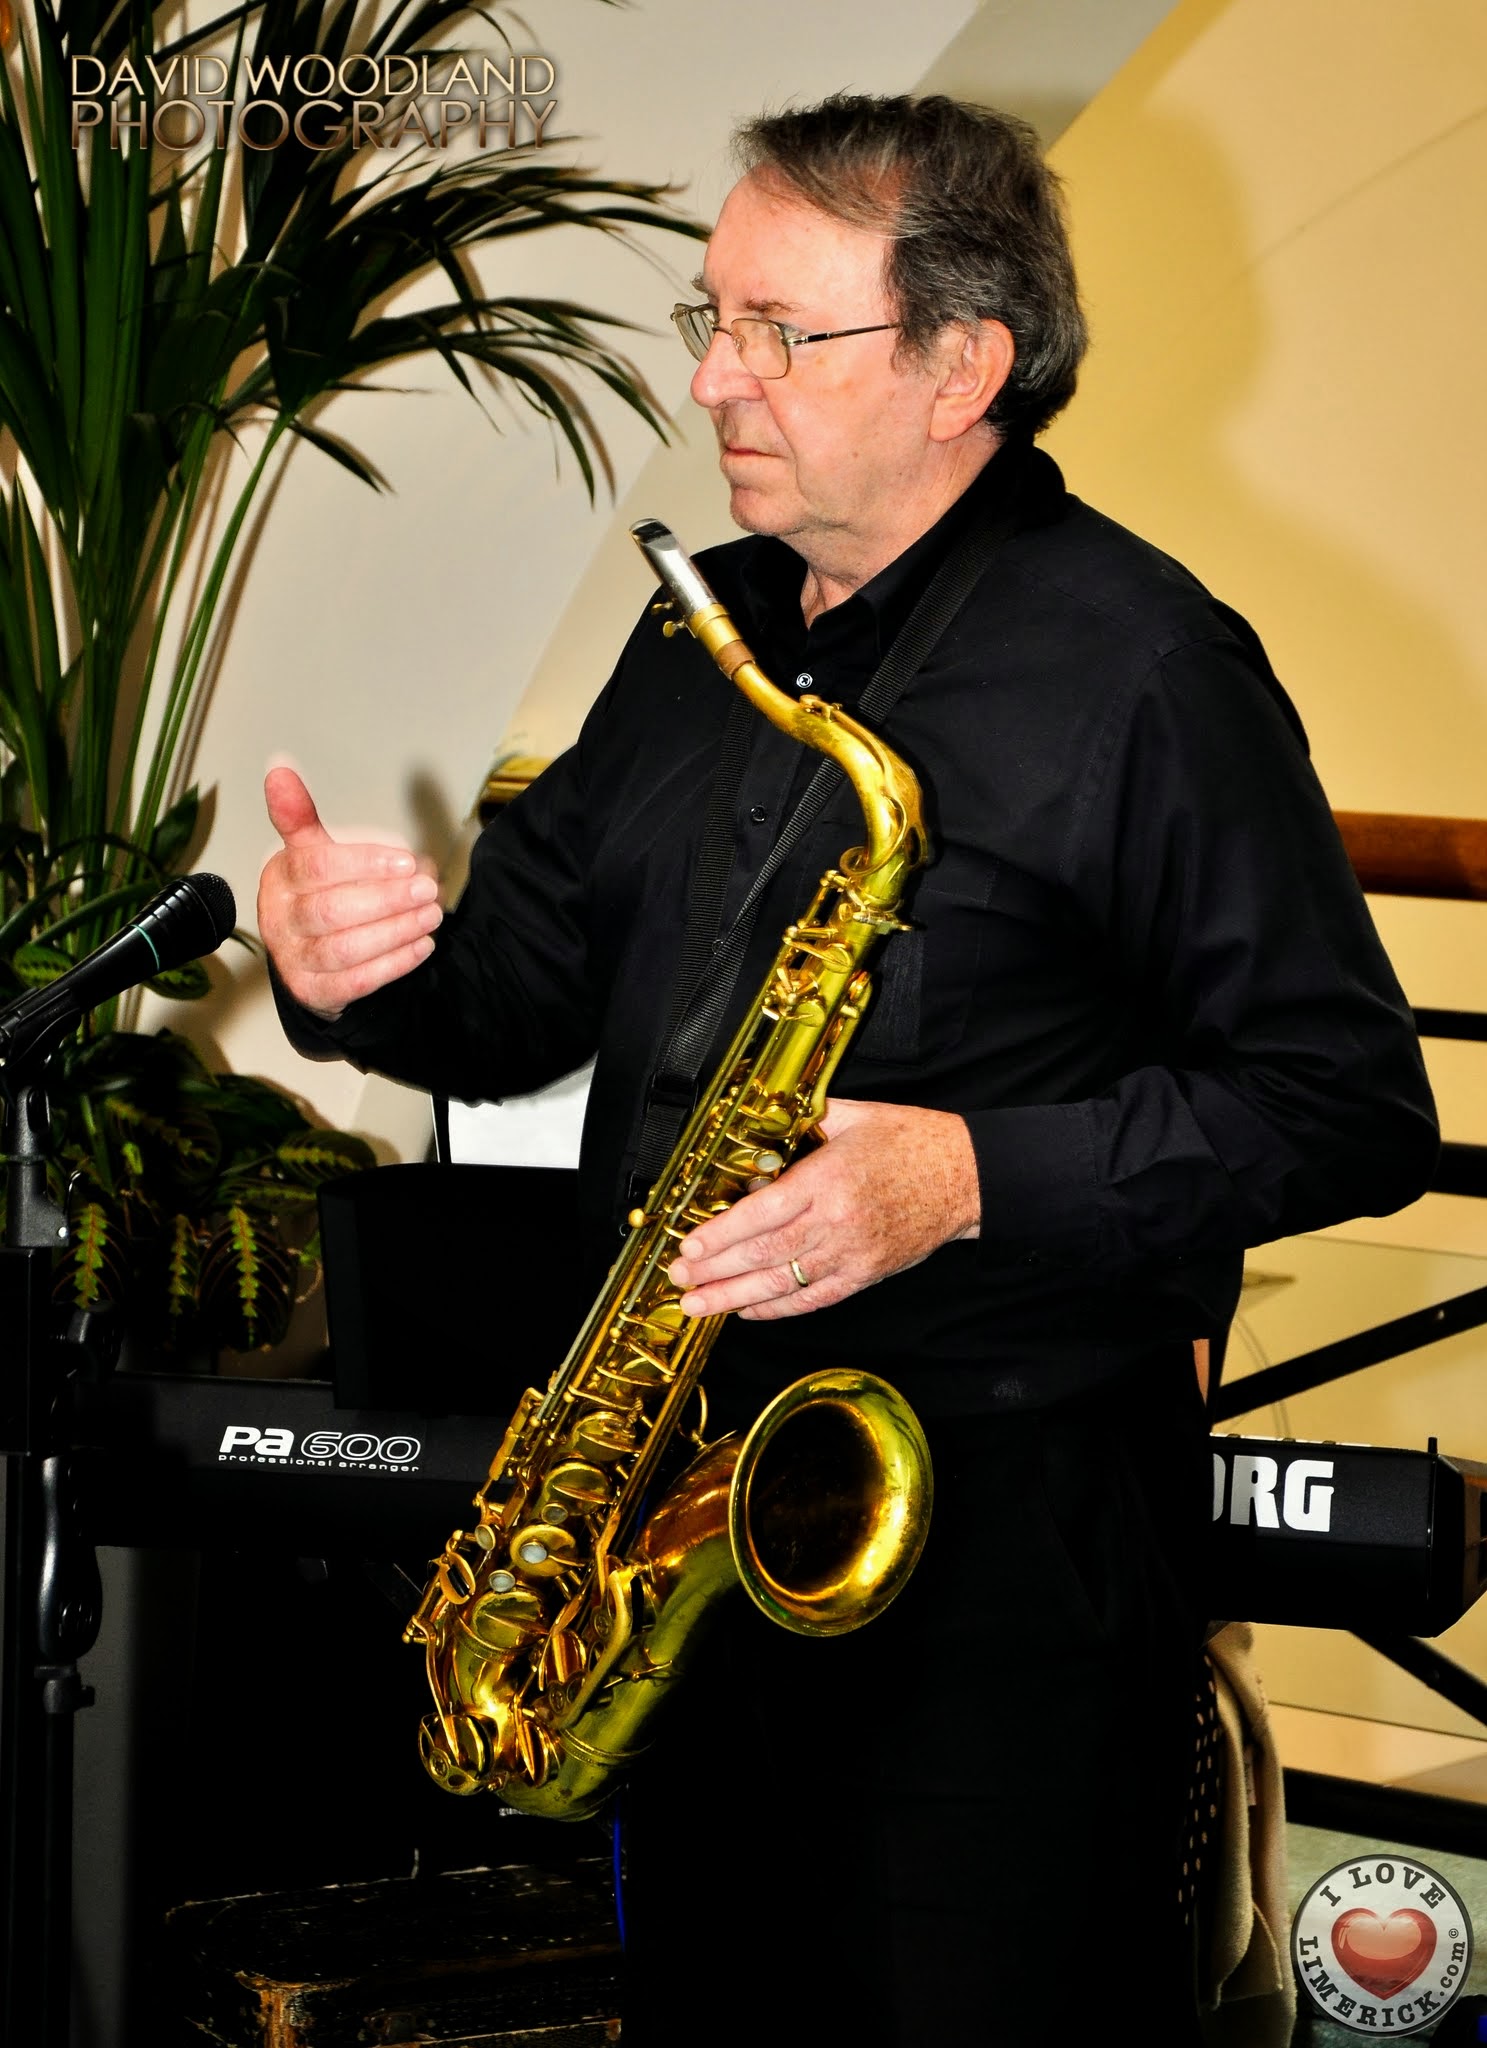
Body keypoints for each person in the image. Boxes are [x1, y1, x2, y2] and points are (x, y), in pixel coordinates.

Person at [260, 95, 1437, 2043]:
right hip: (683, 1528)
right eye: (711, 318)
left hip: (1004, 1562)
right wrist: (350, 978)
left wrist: (966, 1180)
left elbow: (1346, 1100)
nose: (713, 377)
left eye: (779, 331)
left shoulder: (1148, 667)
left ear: (965, 365)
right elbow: (514, 998)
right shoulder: (700, 633)